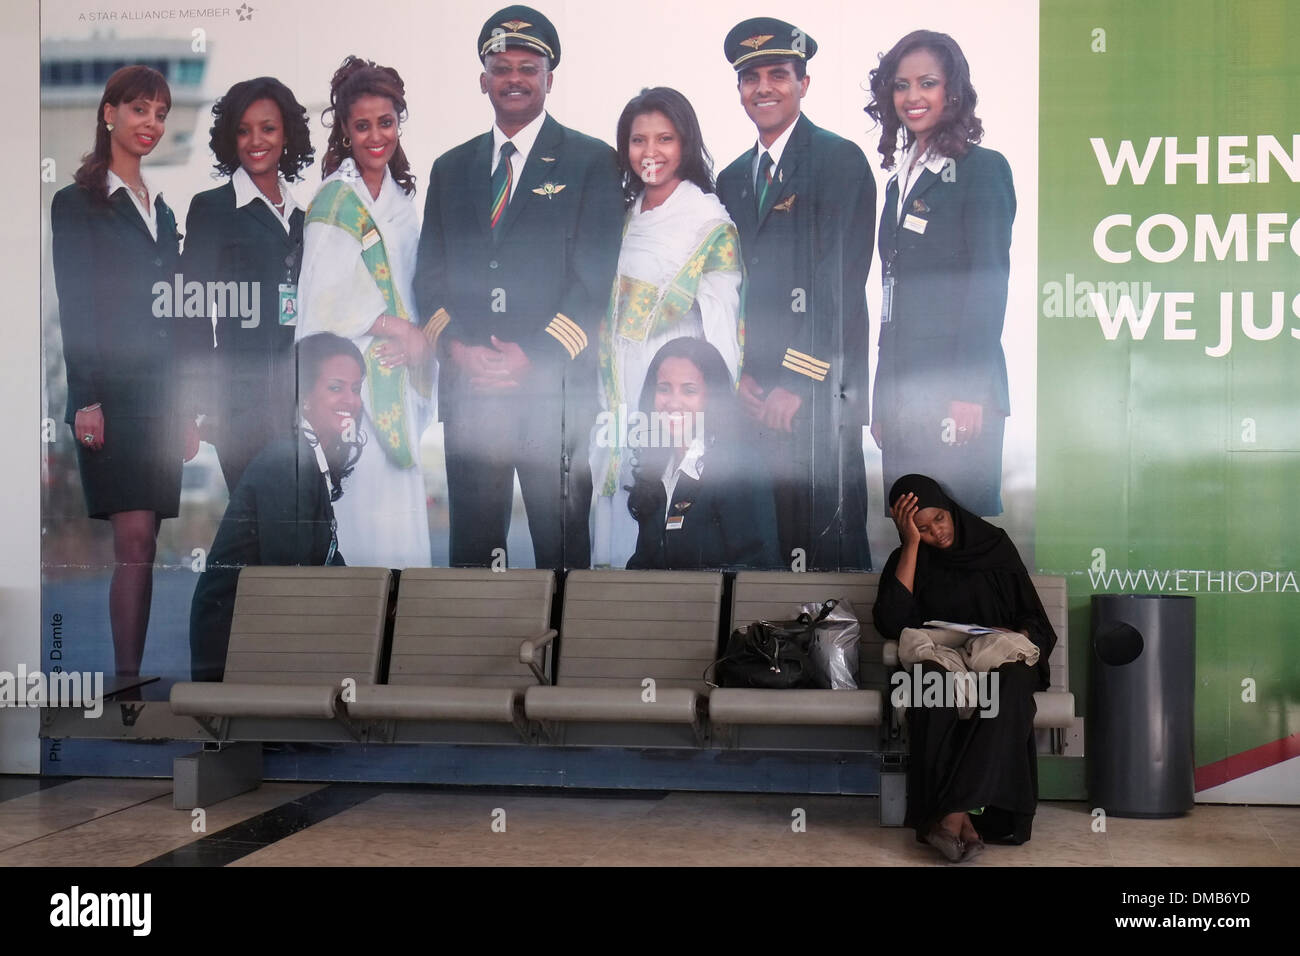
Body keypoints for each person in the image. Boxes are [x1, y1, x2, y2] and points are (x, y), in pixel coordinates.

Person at [414, 5, 624, 573]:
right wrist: (458, 350)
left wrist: (532, 357)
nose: (514, 78)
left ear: (549, 79)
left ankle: (565, 638)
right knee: (474, 556)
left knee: (562, 554)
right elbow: (428, 279)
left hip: (554, 397)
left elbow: (592, 283)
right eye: (501, 68)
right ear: (483, 80)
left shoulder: (592, 162)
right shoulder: (450, 168)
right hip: (471, 396)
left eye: (528, 68)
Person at [50, 65, 199, 677]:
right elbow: (76, 304)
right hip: (110, 397)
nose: (152, 124)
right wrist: (86, 398)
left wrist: (188, 409)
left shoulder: (162, 211)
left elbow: (178, 313)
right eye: (140, 109)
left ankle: (131, 682)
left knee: (146, 542)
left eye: (160, 114)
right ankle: (128, 684)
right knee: (133, 538)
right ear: (109, 113)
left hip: (162, 399)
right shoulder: (76, 204)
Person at [715, 17, 875, 572]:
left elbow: (839, 284)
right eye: (750, 78)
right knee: (761, 550)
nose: (763, 88)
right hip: (751, 397)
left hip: (818, 393)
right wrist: (739, 377)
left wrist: (796, 382)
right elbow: (729, 290)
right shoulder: (731, 179)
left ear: (803, 83)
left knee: (828, 550)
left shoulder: (839, 161)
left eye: (778, 75)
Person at [590, 86, 743, 569]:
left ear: (685, 144)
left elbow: (723, 319)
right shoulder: (623, 216)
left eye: (665, 139)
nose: (650, 152)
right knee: (621, 507)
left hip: (674, 391)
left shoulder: (706, 217)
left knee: (665, 506)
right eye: (639, 140)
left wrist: (711, 412)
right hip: (619, 386)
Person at [865, 30, 1016, 516]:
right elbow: (891, 299)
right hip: (903, 397)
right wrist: (882, 401)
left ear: (952, 91)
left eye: (927, 83)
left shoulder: (981, 170)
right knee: (914, 533)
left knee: (957, 533)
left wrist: (967, 391)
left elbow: (987, 287)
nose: (913, 96)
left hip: (957, 394)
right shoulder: (898, 184)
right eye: (901, 85)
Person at [872, 473, 1055, 861]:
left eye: (939, 519)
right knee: (930, 688)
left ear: (950, 508)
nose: (937, 532)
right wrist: (911, 546)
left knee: (1010, 687)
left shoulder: (994, 546)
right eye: (922, 528)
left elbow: (1035, 621)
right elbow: (891, 622)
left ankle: (951, 815)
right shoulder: (909, 559)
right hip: (941, 656)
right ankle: (967, 822)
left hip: (998, 656)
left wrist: (1014, 632)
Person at [296, 56, 434, 569]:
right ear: (345, 132)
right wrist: (395, 327)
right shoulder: (335, 200)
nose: (376, 136)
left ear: (399, 122)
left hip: (399, 380)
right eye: (362, 126)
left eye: (386, 122)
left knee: (399, 515)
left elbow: (414, 288)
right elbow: (322, 298)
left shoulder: (402, 202)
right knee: (360, 511)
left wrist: (418, 342)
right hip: (353, 384)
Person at [189, 333, 363, 681]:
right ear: (304, 397)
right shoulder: (287, 462)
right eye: (336, 387)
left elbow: (326, 566)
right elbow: (289, 582)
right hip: (235, 656)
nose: (351, 400)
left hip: (267, 637)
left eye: (356, 389)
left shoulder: (307, 459)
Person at [183, 76, 314, 494]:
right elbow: (192, 310)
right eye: (244, 130)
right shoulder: (213, 209)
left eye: (268, 128)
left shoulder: (305, 219)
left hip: (300, 405)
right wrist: (201, 402)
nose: (256, 140)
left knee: (296, 524)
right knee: (260, 517)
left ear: (286, 134)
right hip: (240, 406)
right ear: (231, 138)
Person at [626, 337, 778, 570]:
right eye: (664, 389)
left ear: (712, 399)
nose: (674, 402)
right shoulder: (658, 468)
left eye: (689, 391)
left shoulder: (737, 467)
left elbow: (757, 572)